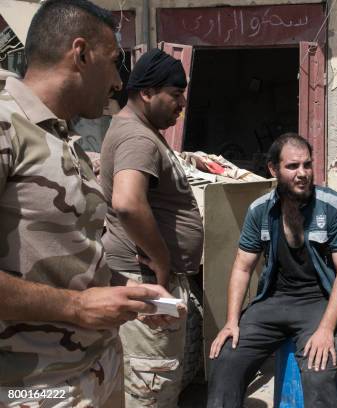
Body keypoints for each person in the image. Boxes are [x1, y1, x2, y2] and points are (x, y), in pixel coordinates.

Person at [0, 1, 176, 407]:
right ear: (80, 54)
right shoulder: (7, 126)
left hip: (97, 372)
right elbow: (75, 299)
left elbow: (68, 255)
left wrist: (129, 293)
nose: (118, 82)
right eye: (114, 62)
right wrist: (77, 307)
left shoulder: (63, 138)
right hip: (33, 388)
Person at [207, 133, 337, 407]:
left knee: (318, 372)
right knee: (226, 359)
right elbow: (242, 267)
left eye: (307, 165)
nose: (302, 173)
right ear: (273, 169)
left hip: (322, 303)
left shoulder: (333, 206)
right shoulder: (260, 210)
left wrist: (327, 329)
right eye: (292, 166)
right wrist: (231, 322)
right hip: (275, 301)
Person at [99, 48, 203, 407]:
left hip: (148, 280)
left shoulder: (139, 131)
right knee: (150, 387)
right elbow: (127, 203)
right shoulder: (138, 137)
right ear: (146, 92)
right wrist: (160, 261)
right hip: (146, 281)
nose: (181, 105)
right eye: (175, 95)